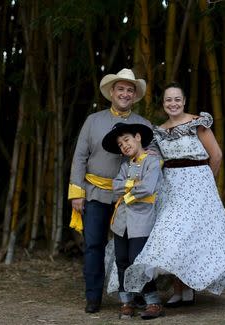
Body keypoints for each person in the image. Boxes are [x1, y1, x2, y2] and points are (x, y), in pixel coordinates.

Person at [121, 82, 225, 306]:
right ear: (163, 104)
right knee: (173, 237)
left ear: (184, 101)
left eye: (177, 99)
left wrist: (205, 184)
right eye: (168, 100)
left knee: (191, 238)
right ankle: (179, 290)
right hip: (171, 188)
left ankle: (189, 289)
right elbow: (152, 159)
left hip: (198, 186)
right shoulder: (159, 132)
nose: (173, 103)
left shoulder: (198, 123)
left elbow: (216, 155)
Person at [68, 68, 153, 314]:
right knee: (94, 245)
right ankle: (93, 297)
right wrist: (77, 193)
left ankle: (135, 297)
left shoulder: (143, 125)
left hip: (131, 199)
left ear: (134, 95)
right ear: (112, 92)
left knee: (131, 250)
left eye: (129, 90)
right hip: (95, 192)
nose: (125, 94)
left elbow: (153, 157)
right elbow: (79, 157)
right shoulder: (93, 121)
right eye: (121, 89)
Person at [101, 122, 164, 320]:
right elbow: (115, 186)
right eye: (120, 144)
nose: (124, 146)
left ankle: (152, 301)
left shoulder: (152, 162)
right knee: (122, 262)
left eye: (126, 140)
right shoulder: (125, 166)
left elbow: (147, 188)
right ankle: (126, 301)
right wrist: (132, 184)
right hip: (121, 222)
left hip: (142, 221)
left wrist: (127, 191)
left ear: (137, 137)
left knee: (139, 262)